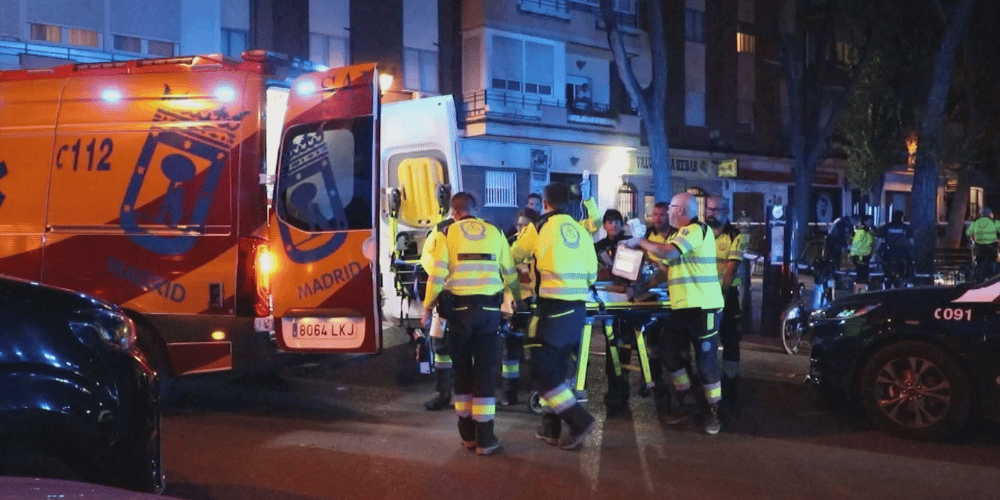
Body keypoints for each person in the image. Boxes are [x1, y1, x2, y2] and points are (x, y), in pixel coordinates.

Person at [422, 192, 519, 455]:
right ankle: (486, 439)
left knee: (461, 372)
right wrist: (517, 300)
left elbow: (437, 274)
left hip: (459, 312)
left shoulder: (446, 234)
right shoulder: (495, 232)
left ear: (454, 212)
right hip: (489, 310)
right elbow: (509, 272)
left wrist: (427, 307)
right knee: (485, 373)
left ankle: (467, 436)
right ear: (475, 210)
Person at [628, 192, 725, 435]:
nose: (667, 212)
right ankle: (688, 400)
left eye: (670, 207)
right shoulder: (679, 235)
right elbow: (665, 270)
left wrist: (640, 241)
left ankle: (713, 412)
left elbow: (669, 253)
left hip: (704, 308)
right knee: (667, 350)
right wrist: (640, 289)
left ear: (680, 210)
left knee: (706, 362)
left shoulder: (696, 230)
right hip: (683, 308)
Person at [511, 182, 599, 450]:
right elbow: (592, 273)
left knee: (542, 373)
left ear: (546, 203)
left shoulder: (537, 228)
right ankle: (550, 429)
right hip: (578, 310)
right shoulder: (581, 231)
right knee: (557, 371)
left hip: (551, 308)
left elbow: (512, 255)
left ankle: (580, 421)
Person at [705, 196, 745, 414]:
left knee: (730, 342)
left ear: (726, 210)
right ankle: (708, 385)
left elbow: (731, 270)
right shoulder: (701, 232)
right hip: (704, 296)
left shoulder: (734, 235)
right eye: (708, 209)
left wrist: (719, 296)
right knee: (706, 343)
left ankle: (730, 386)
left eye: (716, 209)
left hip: (725, 297)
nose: (711, 213)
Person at [500, 207, 540, 406]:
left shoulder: (538, 248)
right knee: (510, 355)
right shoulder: (510, 246)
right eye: (519, 225)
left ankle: (537, 395)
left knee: (534, 353)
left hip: (532, 307)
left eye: (526, 225)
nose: (522, 228)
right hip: (512, 309)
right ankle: (510, 395)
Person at [420, 214, 456, 412]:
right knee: (441, 349)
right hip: (453, 306)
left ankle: (444, 394)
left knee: (442, 348)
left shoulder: (438, 247)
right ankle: (446, 393)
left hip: (445, 305)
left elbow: (434, 278)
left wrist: (426, 310)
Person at [874, 210, 914, 288]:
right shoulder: (906, 227)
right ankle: (906, 279)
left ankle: (887, 282)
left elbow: (879, 240)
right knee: (907, 267)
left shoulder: (886, 226)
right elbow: (911, 241)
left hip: (889, 252)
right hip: (902, 253)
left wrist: (876, 251)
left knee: (887, 272)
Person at [965, 207, 999, 282]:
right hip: (991, 247)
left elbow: (968, 233)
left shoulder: (975, 223)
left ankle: (979, 278)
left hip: (979, 248)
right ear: (990, 214)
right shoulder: (994, 222)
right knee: (992, 260)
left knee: (980, 261)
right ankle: (991, 277)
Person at [849, 215, 874, 293]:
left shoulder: (868, 232)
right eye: (869, 221)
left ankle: (862, 292)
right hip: (860, 258)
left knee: (864, 278)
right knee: (861, 278)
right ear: (865, 221)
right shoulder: (860, 232)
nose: (871, 222)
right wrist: (855, 257)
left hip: (865, 258)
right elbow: (856, 245)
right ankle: (860, 294)